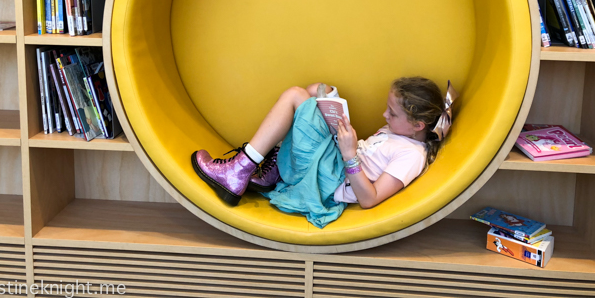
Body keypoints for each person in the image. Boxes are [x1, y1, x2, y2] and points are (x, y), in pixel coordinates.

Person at [191, 76, 457, 228]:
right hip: (334, 162)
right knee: (318, 90)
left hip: (332, 179)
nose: (384, 114)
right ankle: (273, 168)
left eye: (392, 113)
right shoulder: (399, 132)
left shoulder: (411, 156)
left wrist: (349, 154)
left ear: (418, 126)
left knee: (296, 96)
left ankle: (238, 170)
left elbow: (370, 199)